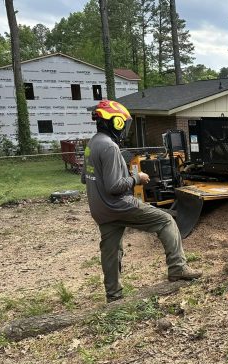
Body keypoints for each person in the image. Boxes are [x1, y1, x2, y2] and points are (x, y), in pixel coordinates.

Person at [82, 100, 201, 303]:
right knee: (166, 221)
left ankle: (114, 295)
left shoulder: (92, 144)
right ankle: (177, 268)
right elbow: (114, 186)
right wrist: (138, 178)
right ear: (116, 123)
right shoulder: (109, 147)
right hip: (118, 205)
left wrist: (121, 173)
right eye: (124, 124)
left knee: (111, 250)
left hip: (100, 209)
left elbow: (86, 178)